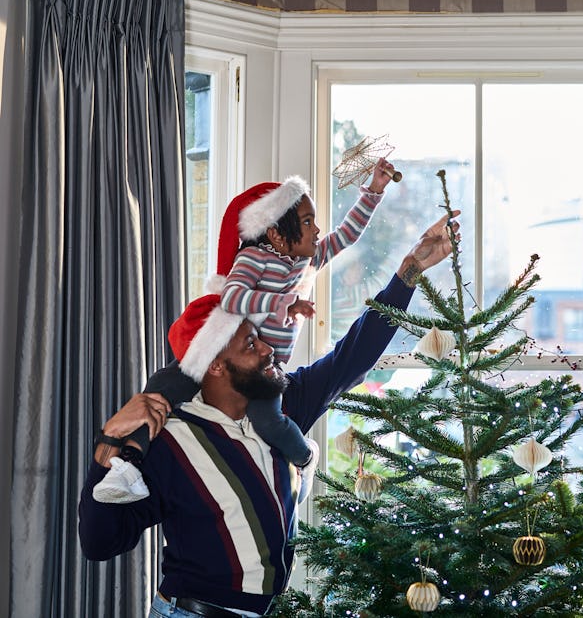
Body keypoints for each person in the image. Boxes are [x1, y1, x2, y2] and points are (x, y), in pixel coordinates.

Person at [78, 211, 460, 618]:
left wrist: (410, 270)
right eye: (249, 345)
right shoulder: (169, 440)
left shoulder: (284, 405)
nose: (267, 351)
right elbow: (100, 542)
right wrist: (109, 444)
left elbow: (356, 353)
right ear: (215, 366)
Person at [91, 161, 396, 505]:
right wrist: (285, 304)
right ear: (276, 235)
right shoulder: (254, 258)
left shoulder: (307, 260)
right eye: (307, 222)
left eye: (314, 221)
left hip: (265, 372)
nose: (317, 229)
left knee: (270, 423)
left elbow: (346, 235)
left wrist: (375, 190)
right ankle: (126, 466)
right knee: (162, 389)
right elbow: (233, 296)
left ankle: (305, 459)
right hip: (225, 358)